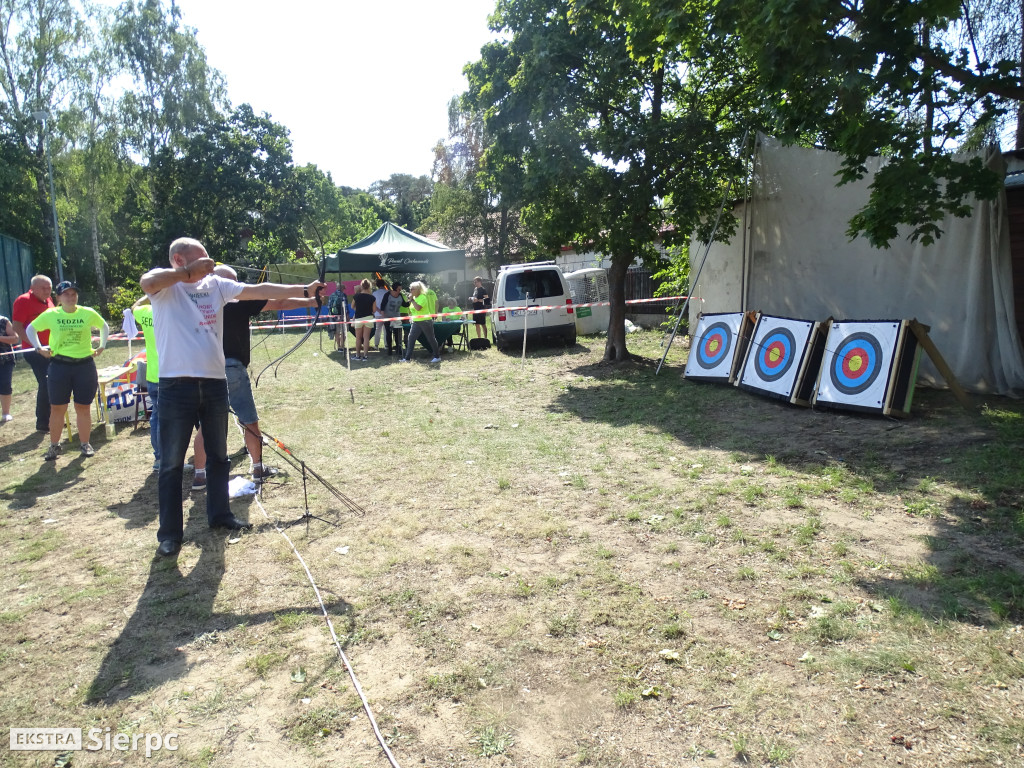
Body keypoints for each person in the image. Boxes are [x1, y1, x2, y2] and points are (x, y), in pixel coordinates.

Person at [140, 236, 324, 557]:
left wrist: (306, 291)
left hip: (214, 382)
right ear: (180, 261)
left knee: (220, 456)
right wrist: (189, 274)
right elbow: (147, 282)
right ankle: (170, 534)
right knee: (170, 463)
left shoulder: (216, 287)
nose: (210, 265)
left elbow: (261, 291)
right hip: (175, 385)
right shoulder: (166, 286)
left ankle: (220, 514)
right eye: (203, 260)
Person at [214, 265, 316, 481]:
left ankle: (201, 475)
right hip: (231, 366)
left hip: (207, 367)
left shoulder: (198, 300)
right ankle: (258, 468)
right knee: (248, 419)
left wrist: (310, 300)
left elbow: (277, 301)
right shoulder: (238, 300)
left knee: (209, 422)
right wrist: (311, 299)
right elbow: (278, 302)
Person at [26, 281, 109, 460]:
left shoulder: (87, 312)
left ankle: (85, 444)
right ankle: (54, 446)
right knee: (57, 408)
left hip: (84, 366)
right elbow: (30, 329)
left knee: (83, 407)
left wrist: (102, 345)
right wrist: (39, 348)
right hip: (59, 366)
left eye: (73, 294)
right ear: (58, 298)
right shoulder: (51, 314)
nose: (71, 298)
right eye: (66, 295)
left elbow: (103, 326)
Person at [11, 275, 55, 431]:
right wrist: (37, 347)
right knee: (45, 383)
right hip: (34, 351)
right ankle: (43, 422)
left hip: (51, 349)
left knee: (54, 382)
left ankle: (53, 418)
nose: (47, 291)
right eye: (43, 288)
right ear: (33, 288)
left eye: (49, 287)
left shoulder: (49, 301)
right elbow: (17, 328)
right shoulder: (23, 301)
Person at [132, 297, 162, 470]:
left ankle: (159, 459)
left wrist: (148, 295)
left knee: (157, 417)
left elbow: (135, 306)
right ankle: (165, 459)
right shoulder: (170, 311)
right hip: (169, 374)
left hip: (153, 375)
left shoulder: (144, 312)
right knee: (165, 420)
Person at [401, 281, 442, 363]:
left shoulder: (422, 297)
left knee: (431, 339)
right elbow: (412, 309)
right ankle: (407, 358)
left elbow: (418, 308)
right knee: (411, 338)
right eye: (410, 289)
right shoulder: (415, 298)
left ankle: (437, 356)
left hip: (425, 321)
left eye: (412, 289)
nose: (410, 291)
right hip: (416, 321)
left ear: (418, 290)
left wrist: (412, 300)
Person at [378, 281, 408, 357]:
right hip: (387, 316)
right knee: (388, 333)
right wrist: (382, 315)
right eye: (399, 289)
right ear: (394, 289)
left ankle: (398, 349)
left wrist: (411, 301)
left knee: (397, 333)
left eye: (400, 289)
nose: (400, 291)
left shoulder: (400, 295)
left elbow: (404, 304)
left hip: (396, 317)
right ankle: (389, 350)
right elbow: (382, 305)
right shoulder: (387, 295)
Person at [351, 278, 377, 361]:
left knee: (358, 338)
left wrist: (358, 309)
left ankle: (357, 355)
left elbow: (352, 306)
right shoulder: (372, 297)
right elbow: (374, 310)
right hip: (369, 318)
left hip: (359, 318)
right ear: (369, 286)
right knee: (366, 338)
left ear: (361, 286)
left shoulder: (356, 296)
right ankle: (365, 356)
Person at [0, 313, 18, 422]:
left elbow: (15, 338)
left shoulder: (3, 321)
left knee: (5, 385)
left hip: (5, 360)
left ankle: (6, 413)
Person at [371, 278, 388, 350]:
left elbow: (373, 304)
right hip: (386, 313)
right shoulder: (388, 292)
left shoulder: (374, 293)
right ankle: (386, 345)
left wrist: (379, 310)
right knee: (386, 330)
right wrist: (383, 311)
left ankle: (376, 345)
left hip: (377, 314)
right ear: (384, 284)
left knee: (377, 330)